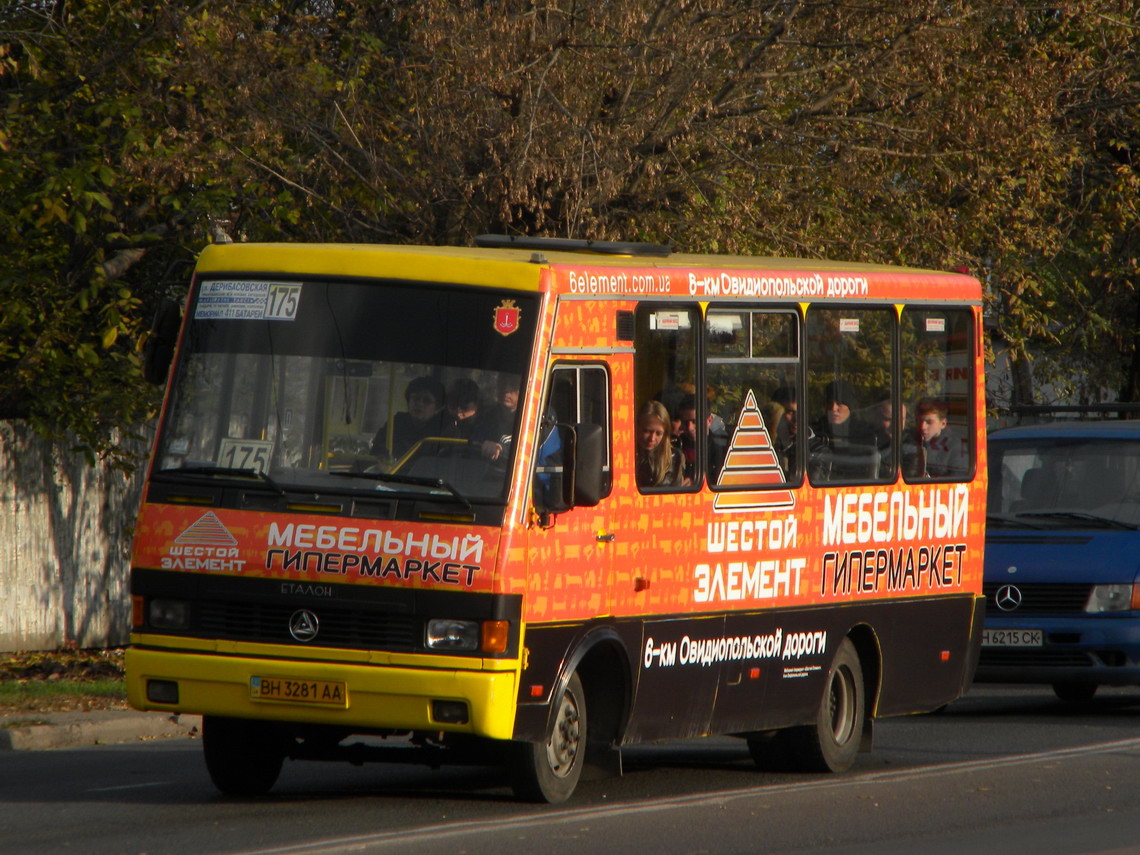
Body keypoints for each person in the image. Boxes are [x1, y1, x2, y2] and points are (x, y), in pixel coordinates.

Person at [810, 379, 877, 480]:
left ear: (850, 406)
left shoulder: (865, 434)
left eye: (839, 403)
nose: (833, 408)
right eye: (830, 403)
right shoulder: (814, 431)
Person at [371, 375, 448, 459]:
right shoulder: (396, 423)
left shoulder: (446, 430)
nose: (419, 403)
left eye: (426, 400)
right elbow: (377, 452)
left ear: (438, 408)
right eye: (415, 398)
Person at [472, 373, 520, 461]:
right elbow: (473, 442)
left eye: (513, 385)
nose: (506, 390)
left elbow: (538, 453)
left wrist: (504, 449)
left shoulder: (539, 419)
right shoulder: (485, 416)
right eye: (502, 384)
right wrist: (483, 444)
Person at [914, 397, 968, 477]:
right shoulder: (908, 439)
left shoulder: (955, 448)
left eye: (929, 422)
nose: (922, 427)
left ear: (943, 424)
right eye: (919, 421)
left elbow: (957, 482)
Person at [636, 400, 685, 487]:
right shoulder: (626, 456)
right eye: (646, 431)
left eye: (658, 433)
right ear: (637, 427)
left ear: (665, 434)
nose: (652, 438)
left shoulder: (675, 457)